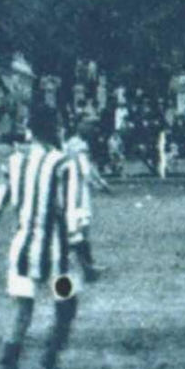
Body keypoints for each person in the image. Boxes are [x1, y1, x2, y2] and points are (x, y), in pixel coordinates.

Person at [0, 105, 84, 369]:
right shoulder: (64, 163)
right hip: (57, 262)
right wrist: (84, 255)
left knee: (20, 315)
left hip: (23, 255)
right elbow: (72, 214)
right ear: (53, 128)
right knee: (65, 309)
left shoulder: (14, 162)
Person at [64, 118, 111, 282]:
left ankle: (84, 263)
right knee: (82, 229)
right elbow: (86, 170)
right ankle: (87, 265)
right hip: (79, 191)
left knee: (76, 228)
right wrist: (99, 185)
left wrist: (100, 181)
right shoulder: (81, 147)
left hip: (69, 188)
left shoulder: (69, 143)